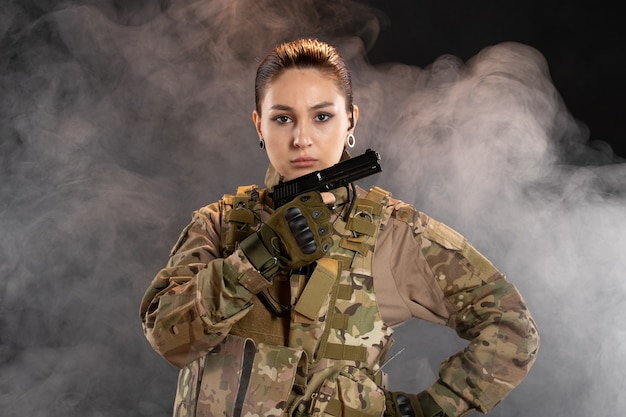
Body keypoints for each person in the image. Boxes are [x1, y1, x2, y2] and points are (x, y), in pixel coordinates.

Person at [140, 38, 539, 417]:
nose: (301, 138)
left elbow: (511, 327)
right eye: (282, 118)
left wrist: (434, 407)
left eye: (322, 116)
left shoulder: (392, 233)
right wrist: (260, 254)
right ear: (259, 125)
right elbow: (168, 338)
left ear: (350, 120)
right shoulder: (219, 224)